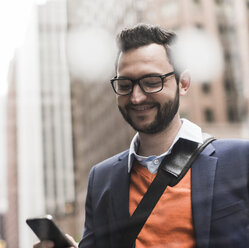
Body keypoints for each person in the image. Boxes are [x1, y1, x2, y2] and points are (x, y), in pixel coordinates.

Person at [34, 23, 249, 248]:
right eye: (125, 85)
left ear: (183, 83)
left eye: (151, 82)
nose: (136, 97)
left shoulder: (240, 160)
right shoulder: (101, 179)